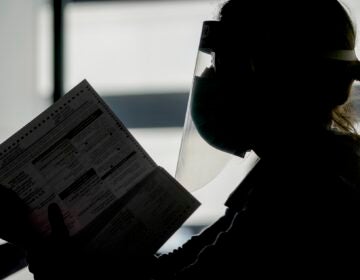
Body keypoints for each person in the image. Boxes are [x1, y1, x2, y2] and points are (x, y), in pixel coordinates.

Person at [1, 0, 360, 278]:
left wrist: (59, 266)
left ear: (273, 79)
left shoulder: (299, 194)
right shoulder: (300, 172)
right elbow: (174, 268)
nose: (207, 76)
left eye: (222, 65)